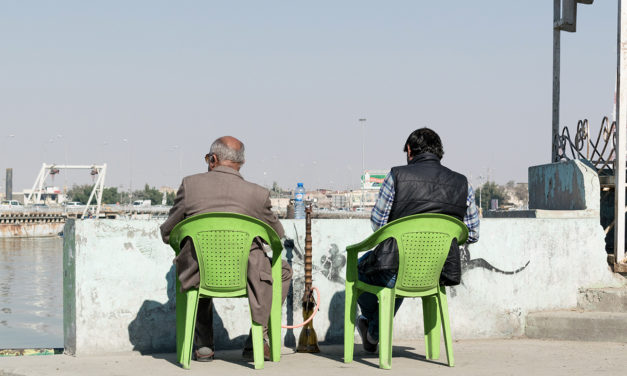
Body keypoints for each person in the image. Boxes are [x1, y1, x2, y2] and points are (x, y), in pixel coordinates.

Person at [160, 136, 292, 362]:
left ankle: (203, 346)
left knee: (195, 261)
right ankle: (258, 339)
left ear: (213, 159)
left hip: (201, 273)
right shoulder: (258, 194)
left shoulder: (190, 185)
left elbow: (168, 233)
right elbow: (277, 237)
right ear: (241, 163)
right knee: (284, 271)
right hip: (247, 275)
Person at [356, 127, 480, 353]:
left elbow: (378, 223)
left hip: (395, 267)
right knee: (399, 276)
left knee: (361, 269)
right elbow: (472, 233)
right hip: (437, 271)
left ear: (410, 150)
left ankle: (372, 329)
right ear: (439, 152)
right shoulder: (463, 184)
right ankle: (372, 331)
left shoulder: (396, 175)